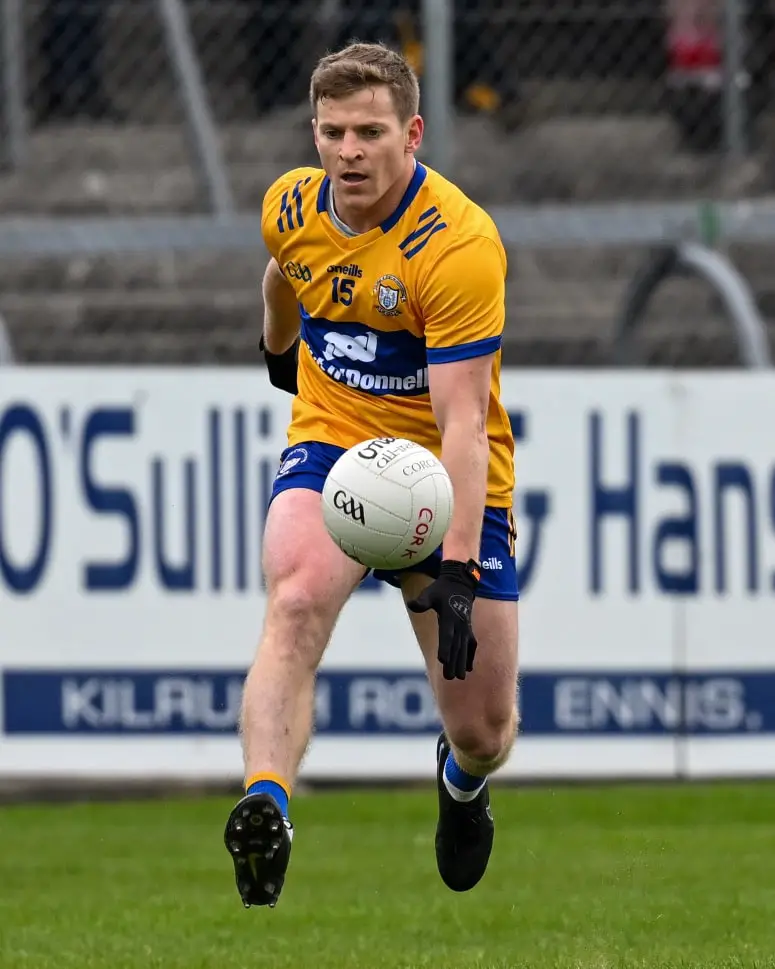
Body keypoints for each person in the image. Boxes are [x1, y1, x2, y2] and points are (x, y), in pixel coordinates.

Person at [223, 41, 519, 909]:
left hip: (439, 475)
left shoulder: (457, 245)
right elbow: (286, 271)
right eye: (332, 132)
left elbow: (462, 421)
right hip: (334, 443)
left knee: (485, 728)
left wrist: (456, 567)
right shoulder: (292, 202)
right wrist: (277, 348)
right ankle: (266, 803)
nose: (347, 152)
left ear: (411, 135)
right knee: (295, 599)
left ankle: (462, 782)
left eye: (369, 133)